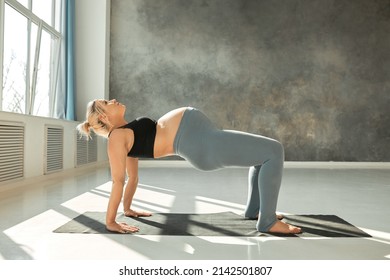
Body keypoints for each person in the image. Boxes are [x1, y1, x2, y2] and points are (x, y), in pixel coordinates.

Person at [77, 99, 301, 235]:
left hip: (204, 140)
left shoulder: (126, 131)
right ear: (104, 116)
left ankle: (255, 211)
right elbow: (118, 180)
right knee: (273, 151)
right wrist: (110, 221)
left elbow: (132, 178)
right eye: (107, 102)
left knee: (261, 156)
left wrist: (128, 209)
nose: (113, 100)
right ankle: (268, 222)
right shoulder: (117, 138)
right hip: (203, 144)